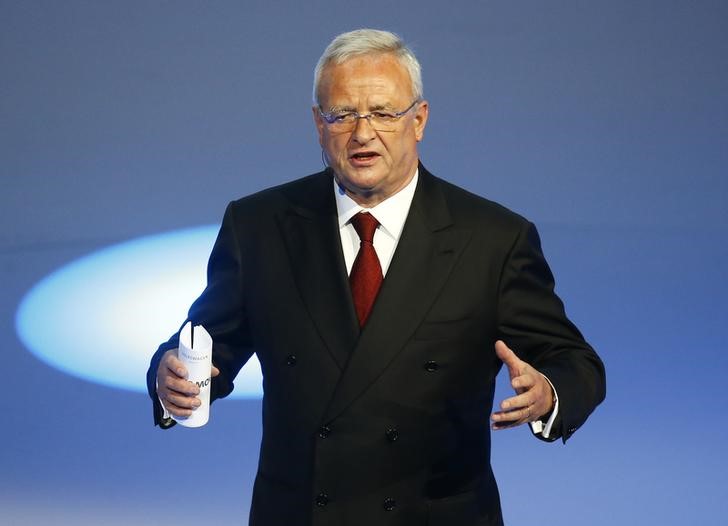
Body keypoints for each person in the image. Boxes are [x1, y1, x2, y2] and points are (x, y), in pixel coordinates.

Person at [147, 28, 605, 526]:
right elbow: (205, 345)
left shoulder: (492, 239)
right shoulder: (260, 226)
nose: (362, 133)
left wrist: (548, 392)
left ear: (420, 120)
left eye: (384, 113)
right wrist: (172, 377)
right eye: (342, 114)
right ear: (318, 125)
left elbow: (575, 362)